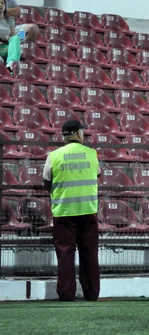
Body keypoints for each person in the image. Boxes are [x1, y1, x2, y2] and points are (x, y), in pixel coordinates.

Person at [42, 120, 101, 302]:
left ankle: (66, 295)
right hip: (87, 211)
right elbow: (97, 174)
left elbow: (46, 181)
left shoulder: (54, 156)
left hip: (64, 212)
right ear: (77, 134)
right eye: (82, 131)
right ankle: (91, 294)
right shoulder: (91, 154)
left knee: (65, 255)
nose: (84, 134)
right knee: (89, 254)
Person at [0, 0, 20, 72]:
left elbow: (13, 37)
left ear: (5, 6)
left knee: (16, 38)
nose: (0, 5)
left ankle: (11, 64)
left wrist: (8, 39)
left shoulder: (9, 20)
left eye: (2, 3)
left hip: (5, 47)